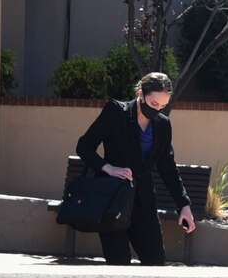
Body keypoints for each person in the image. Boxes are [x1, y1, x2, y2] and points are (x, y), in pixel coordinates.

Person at [75, 72, 197, 266]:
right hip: (113, 200)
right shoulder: (116, 112)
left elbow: (167, 168)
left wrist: (184, 205)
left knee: (155, 262)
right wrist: (109, 168)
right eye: (153, 104)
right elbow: (84, 147)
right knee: (119, 264)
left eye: (163, 106)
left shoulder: (162, 125)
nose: (157, 110)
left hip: (144, 202)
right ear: (141, 93)